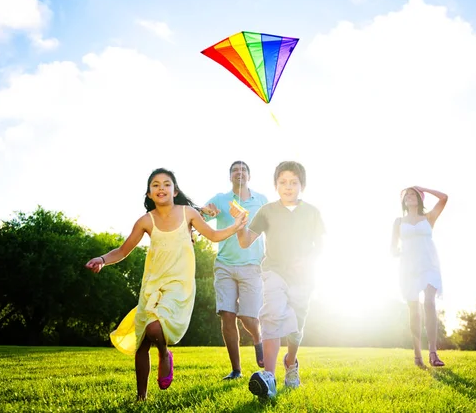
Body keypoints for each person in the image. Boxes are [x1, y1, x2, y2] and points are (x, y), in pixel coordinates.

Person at [85, 168, 247, 400]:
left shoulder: (188, 213)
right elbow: (122, 250)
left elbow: (212, 235)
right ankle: (141, 397)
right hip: (152, 283)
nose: (161, 188)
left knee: (154, 328)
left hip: (178, 284)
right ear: (149, 194)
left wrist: (235, 227)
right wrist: (102, 260)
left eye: (166, 184)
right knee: (141, 342)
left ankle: (163, 353)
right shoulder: (145, 221)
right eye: (155, 185)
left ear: (175, 190)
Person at [232, 161, 325, 399]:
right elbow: (244, 242)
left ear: (301, 185)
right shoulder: (267, 211)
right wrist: (240, 225)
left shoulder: (312, 212)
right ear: (276, 185)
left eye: (293, 182)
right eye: (283, 182)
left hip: (303, 278)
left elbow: (321, 246)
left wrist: (307, 260)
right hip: (274, 271)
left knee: (295, 330)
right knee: (271, 315)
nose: (288, 187)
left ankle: (291, 362)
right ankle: (269, 378)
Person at [201, 161, 268, 380]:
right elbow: (200, 216)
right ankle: (236, 370)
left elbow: (272, 229)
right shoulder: (220, 199)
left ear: (249, 175)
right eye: (235, 170)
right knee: (227, 315)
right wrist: (204, 211)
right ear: (230, 176)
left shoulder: (261, 201)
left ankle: (258, 339)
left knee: (248, 317)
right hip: (225, 265)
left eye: (243, 170)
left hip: (252, 265)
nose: (239, 173)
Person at [391, 186, 448, 368]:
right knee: (414, 311)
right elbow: (392, 248)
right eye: (406, 194)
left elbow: (444, 197)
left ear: (420, 198)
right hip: (408, 268)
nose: (409, 196)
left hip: (429, 265)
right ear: (403, 201)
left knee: (430, 303)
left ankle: (433, 352)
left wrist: (422, 188)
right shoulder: (398, 222)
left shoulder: (428, 218)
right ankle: (417, 354)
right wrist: (397, 252)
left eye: (413, 194)